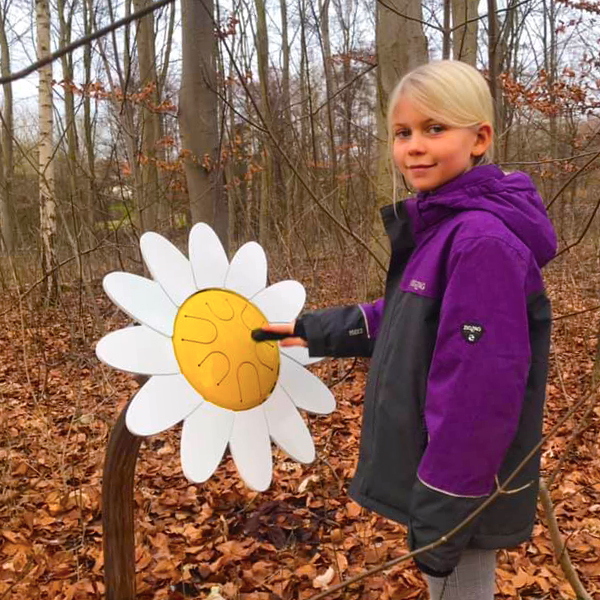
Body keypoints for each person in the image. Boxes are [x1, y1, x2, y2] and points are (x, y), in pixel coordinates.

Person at [263, 60, 557, 599]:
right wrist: (318, 330)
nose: (414, 147)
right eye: (403, 133)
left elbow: (480, 393)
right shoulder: (443, 227)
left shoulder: (480, 242)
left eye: (435, 129)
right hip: (442, 485)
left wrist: (444, 511)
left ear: (479, 138)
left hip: (458, 493)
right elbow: (408, 316)